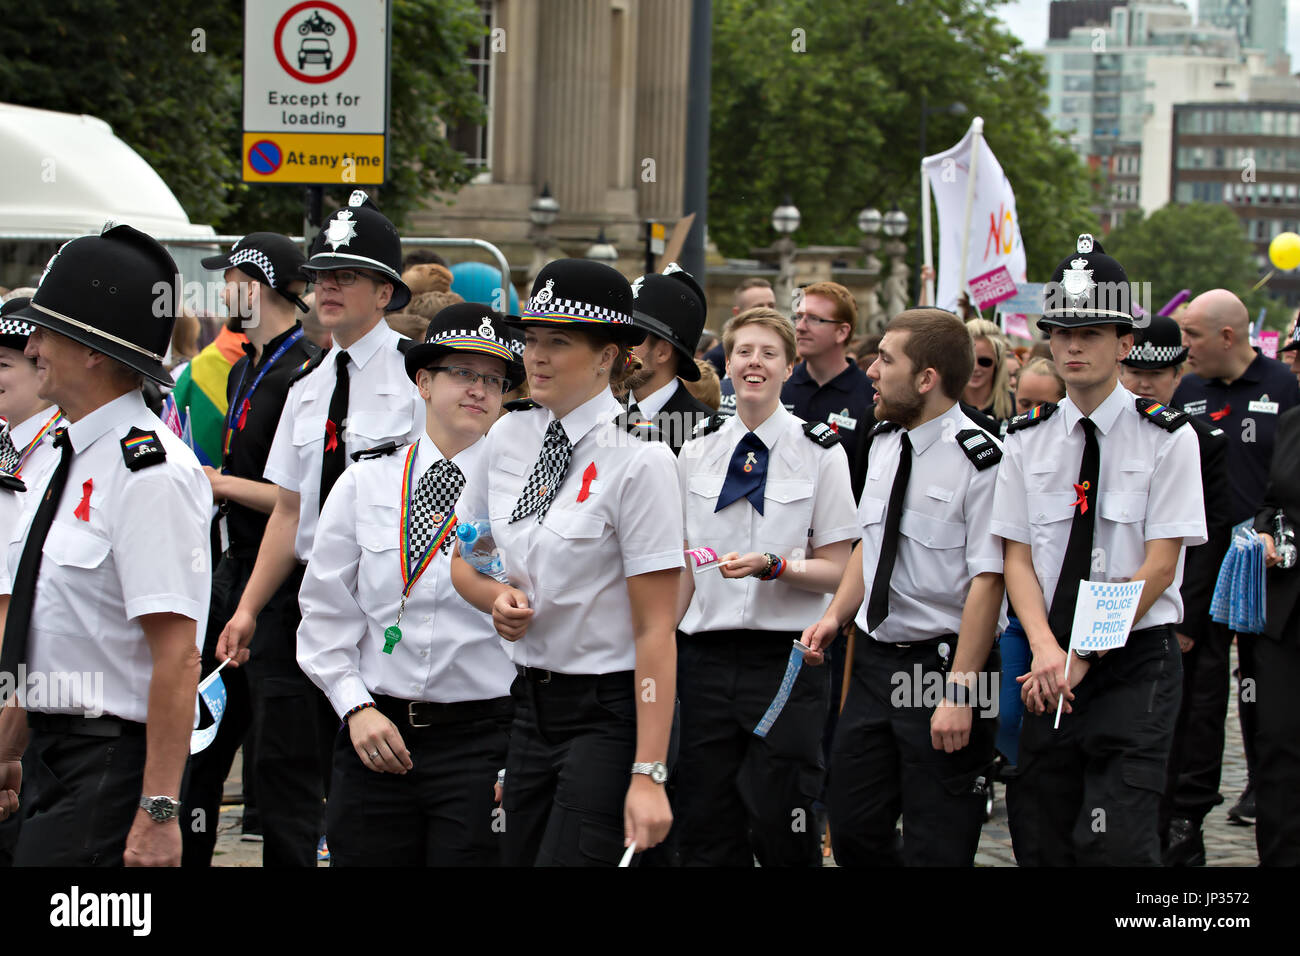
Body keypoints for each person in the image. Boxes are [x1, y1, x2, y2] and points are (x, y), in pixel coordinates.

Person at [215, 190, 423, 867]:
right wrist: (247, 609)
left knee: (367, 773)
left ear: (386, 293)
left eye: (347, 276)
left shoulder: (420, 379)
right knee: (282, 774)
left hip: (381, 600)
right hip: (296, 602)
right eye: (321, 277)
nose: (326, 289)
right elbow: (288, 509)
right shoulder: (306, 386)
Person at [450, 259, 680, 866]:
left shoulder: (640, 460)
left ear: (608, 356)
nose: (536, 355)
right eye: (529, 339)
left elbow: (657, 628)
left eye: (558, 340)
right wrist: (494, 598)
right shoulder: (507, 437)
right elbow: (469, 557)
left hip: (608, 711)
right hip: (527, 705)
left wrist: (649, 772)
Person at [0, 223, 211, 865]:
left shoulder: (149, 473)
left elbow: (177, 657)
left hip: (112, 767)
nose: (30, 346)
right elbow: (42, 623)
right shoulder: (66, 455)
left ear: (92, 351)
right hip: (54, 755)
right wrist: (10, 750)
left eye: (45, 331)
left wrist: (159, 813)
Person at [991, 234, 1205, 866]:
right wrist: (1047, 647)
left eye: (1090, 332)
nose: (1073, 345)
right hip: (1047, 656)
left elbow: (1160, 565)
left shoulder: (1167, 439)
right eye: (1061, 332)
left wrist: (1084, 650)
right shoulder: (1025, 439)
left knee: (1118, 843)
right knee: (1041, 834)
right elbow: (1017, 558)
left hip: (1133, 658)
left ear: (1125, 343)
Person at [298, 304, 523, 865]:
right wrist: (354, 708)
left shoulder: (520, 497)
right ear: (423, 381)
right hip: (376, 731)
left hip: (483, 738)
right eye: (464, 373)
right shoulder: (365, 481)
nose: (480, 390)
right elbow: (324, 613)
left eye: (494, 381)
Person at [803, 308, 1004, 866]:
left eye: (886, 360)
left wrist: (961, 692)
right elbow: (873, 542)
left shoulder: (983, 462)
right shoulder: (886, 438)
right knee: (852, 828)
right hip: (872, 663)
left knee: (938, 839)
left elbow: (989, 582)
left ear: (926, 378)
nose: (870, 369)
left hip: (943, 667)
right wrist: (835, 616)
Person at [674, 306, 856, 866]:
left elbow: (840, 568)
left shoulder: (822, 452)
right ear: (727, 364)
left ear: (788, 364)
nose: (755, 363)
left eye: (768, 353)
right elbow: (682, 569)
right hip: (702, 658)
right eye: (744, 352)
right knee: (704, 821)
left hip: (784, 660)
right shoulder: (695, 450)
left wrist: (775, 565)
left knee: (782, 816)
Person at [178, 233, 319, 866]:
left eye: (229, 276)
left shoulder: (306, 370)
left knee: (280, 765)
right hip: (228, 574)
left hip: (283, 589)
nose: (222, 290)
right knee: (200, 749)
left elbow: (303, 504)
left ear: (256, 283)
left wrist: (217, 482)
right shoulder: (242, 365)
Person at [1172, 288, 1300, 827]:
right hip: (1202, 567)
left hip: (1267, 567)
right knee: (1200, 677)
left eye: (1193, 335)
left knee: (1259, 679)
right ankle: (1185, 794)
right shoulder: (1188, 391)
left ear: (1228, 336)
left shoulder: (1284, 387)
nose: (1185, 347)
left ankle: (1258, 780)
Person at [1118, 314, 1232, 866]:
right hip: (1110, 598)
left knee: (1185, 731)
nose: (1144, 384)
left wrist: (1188, 622)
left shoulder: (1198, 441)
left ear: (1179, 374)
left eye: (1157, 375)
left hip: (1176, 609)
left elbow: (1204, 540)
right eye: (1134, 370)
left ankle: (1180, 836)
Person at [996, 356, 1068, 774]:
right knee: (1005, 715)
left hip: (1074, 615)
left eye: (1040, 404)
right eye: (1022, 402)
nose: (1029, 414)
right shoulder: (1014, 443)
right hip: (1020, 614)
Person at [1255, 405, 1300, 864]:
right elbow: (1274, 502)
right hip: (1286, 612)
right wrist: (1266, 532)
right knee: (1279, 745)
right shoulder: (1292, 421)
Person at [783, 282, 874, 475]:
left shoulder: (870, 397)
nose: (800, 327)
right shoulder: (779, 387)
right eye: (798, 317)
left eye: (814, 319)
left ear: (842, 332)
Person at [624, 264, 715, 455]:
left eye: (632, 337)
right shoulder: (605, 410)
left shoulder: (705, 433)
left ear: (662, 352)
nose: (618, 345)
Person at [703, 278, 775, 379]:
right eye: (759, 307)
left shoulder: (782, 351)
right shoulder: (716, 358)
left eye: (771, 306)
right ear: (738, 313)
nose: (767, 311)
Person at [963, 319, 1015, 427]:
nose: (975, 368)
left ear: (997, 362)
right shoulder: (946, 406)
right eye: (970, 359)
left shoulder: (1015, 404)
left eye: (984, 361)